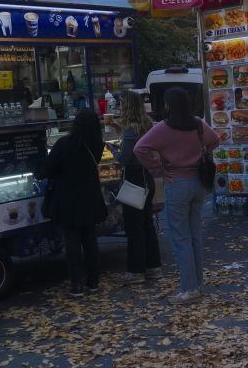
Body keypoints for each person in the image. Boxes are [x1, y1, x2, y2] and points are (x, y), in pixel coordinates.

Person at [134, 87, 220, 304]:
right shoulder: (198, 124)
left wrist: (159, 169)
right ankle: (198, 285)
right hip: (199, 183)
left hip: (176, 183)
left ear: (167, 105)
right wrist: (203, 153)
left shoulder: (163, 128)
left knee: (180, 237)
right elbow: (215, 140)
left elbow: (139, 148)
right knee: (194, 235)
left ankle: (189, 288)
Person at [34, 108, 107, 296]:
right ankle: (93, 281)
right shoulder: (96, 145)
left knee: (72, 241)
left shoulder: (64, 144)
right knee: (90, 240)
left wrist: (38, 169)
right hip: (90, 197)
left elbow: (46, 170)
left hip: (67, 200)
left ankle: (76, 284)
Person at [117, 91, 162, 285]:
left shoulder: (130, 130)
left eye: (121, 104)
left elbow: (125, 158)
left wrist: (112, 151)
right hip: (147, 178)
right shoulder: (147, 125)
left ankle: (136, 270)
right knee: (146, 224)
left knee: (133, 226)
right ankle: (154, 266)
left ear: (126, 107)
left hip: (134, 179)